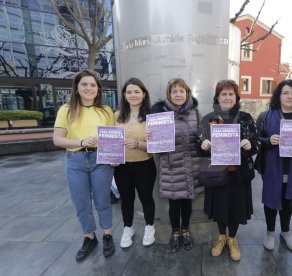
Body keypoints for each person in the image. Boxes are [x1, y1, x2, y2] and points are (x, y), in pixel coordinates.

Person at [53, 69, 115, 262]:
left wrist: (113, 155)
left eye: (93, 85)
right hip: (75, 161)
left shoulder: (105, 111)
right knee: (81, 202)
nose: (89, 88)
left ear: (98, 90)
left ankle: (107, 234)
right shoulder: (66, 110)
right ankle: (89, 237)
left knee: (103, 200)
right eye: (84, 84)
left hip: (101, 160)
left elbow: (112, 136)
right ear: (77, 88)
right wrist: (80, 142)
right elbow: (57, 139)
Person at [200, 79, 258, 262]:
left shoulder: (246, 118)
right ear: (217, 97)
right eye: (223, 94)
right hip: (217, 173)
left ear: (236, 97)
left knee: (235, 208)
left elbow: (256, 144)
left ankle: (232, 238)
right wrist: (204, 144)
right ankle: (221, 237)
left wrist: (250, 145)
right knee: (219, 208)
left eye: (230, 94)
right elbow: (199, 144)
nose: (227, 97)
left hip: (238, 174)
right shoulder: (208, 118)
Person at [255, 79, 292, 251]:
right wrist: (268, 140)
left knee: (288, 200)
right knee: (270, 201)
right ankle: (269, 231)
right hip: (271, 166)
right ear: (278, 96)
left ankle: (285, 231)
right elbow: (256, 141)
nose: (289, 96)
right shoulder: (266, 116)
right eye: (285, 93)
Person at [149, 78, 202, 253]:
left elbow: (200, 138)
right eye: (174, 91)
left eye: (181, 91)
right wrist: (152, 139)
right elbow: (156, 146)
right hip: (171, 167)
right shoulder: (160, 116)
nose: (178, 94)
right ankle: (175, 231)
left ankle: (185, 230)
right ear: (169, 95)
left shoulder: (195, 113)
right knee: (174, 203)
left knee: (187, 202)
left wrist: (207, 141)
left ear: (187, 93)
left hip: (191, 165)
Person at [113, 77, 157, 248]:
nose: (133, 95)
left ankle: (149, 226)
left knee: (146, 197)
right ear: (124, 95)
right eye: (129, 92)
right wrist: (111, 158)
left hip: (145, 164)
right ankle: (127, 228)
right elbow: (108, 141)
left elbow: (159, 146)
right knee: (126, 199)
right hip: (122, 166)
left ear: (143, 94)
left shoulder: (152, 117)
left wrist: (140, 144)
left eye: (137, 91)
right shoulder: (115, 116)